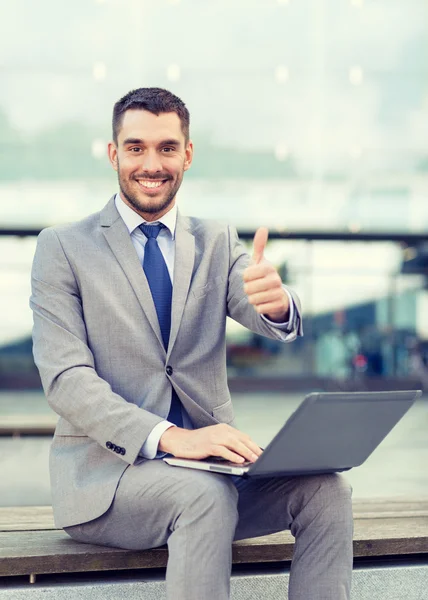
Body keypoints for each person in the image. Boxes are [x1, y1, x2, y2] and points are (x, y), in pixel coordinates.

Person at [30, 87, 353, 600]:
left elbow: (258, 302)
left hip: (212, 474)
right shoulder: (63, 248)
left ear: (188, 153)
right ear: (114, 154)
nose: (151, 163)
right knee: (202, 495)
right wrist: (170, 437)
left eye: (166, 147)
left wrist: (275, 303)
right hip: (108, 484)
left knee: (326, 490)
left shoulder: (217, 240)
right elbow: (67, 382)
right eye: (136, 148)